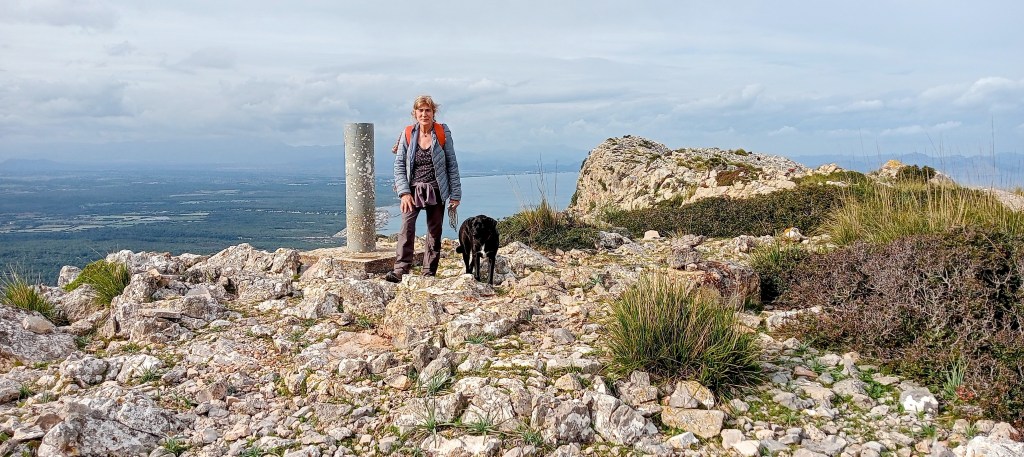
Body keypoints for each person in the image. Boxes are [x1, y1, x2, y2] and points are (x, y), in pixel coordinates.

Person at [385, 95, 461, 283]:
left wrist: (455, 194)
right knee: (406, 228)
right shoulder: (408, 133)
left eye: (428, 110)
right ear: (415, 113)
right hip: (412, 190)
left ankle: (428, 272)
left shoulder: (443, 133)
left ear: (433, 112)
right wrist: (403, 193)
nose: (424, 114)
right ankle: (400, 270)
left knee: (434, 232)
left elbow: (452, 164)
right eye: (421, 110)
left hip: (437, 189)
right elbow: (399, 164)